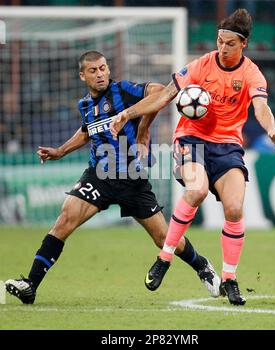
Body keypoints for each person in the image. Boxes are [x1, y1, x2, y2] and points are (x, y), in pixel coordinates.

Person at [5, 51, 220, 304]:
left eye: (103, 68)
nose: (100, 74)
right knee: (65, 219)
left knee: (163, 238)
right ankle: (30, 284)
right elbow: (87, 131)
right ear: (82, 75)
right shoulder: (85, 105)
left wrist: (143, 129)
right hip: (99, 176)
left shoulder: (123, 91)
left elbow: (160, 91)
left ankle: (203, 266)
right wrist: (60, 151)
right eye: (94, 70)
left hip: (131, 177)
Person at [110, 9, 275, 306]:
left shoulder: (251, 74)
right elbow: (165, 95)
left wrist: (270, 129)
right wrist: (128, 112)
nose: (222, 47)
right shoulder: (201, 65)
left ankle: (229, 279)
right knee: (196, 190)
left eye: (229, 43)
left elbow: (260, 107)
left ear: (242, 44)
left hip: (228, 146)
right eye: (219, 41)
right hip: (191, 139)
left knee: (234, 209)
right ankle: (164, 257)